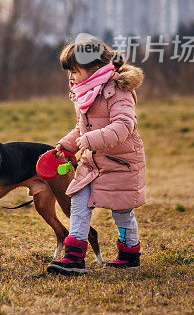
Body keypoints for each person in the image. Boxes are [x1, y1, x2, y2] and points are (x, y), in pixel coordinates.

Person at [46, 36, 146, 275]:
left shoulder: (118, 91)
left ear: (94, 69)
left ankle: (130, 253)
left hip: (120, 163)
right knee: (78, 202)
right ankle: (74, 256)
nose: (70, 77)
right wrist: (68, 145)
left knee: (121, 211)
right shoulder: (85, 93)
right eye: (68, 71)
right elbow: (82, 128)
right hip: (92, 163)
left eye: (74, 70)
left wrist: (90, 140)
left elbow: (124, 126)